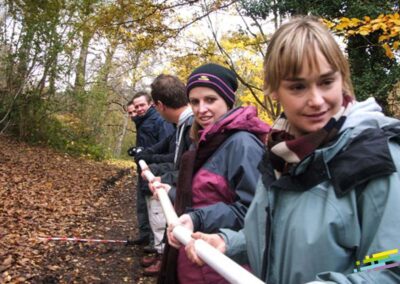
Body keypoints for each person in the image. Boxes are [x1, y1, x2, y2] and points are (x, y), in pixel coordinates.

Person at [186, 16, 400, 284]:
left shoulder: (377, 158)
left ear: (342, 79)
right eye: (298, 87)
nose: (316, 100)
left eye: (326, 82)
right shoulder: (280, 155)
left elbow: (390, 265)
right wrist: (229, 242)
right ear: (274, 91)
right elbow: (276, 234)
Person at [155, 63, 271, 283]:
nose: (201, 109)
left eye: (210, 100)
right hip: (194, 264)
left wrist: (196, 219)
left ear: (228, 100)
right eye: (195, 101)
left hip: (222, 269)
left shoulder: (243, 145)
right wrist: (170, 192)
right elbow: (202, 197)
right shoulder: (203, 141)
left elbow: (252, 212)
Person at [136, 74, 194, 276]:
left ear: (159, 105)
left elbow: (193, 167)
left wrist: (165, 177)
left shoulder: (192, 126)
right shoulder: (182, 125)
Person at [127, 91, 175, 246]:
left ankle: (158, 248)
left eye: (142, 105)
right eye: (136, 106)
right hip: (144, 170)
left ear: (150, 104)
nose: (139, 109)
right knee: (143, 206)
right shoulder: (141, 121)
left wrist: (149, 159)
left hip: (157, 172)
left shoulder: (160, 121)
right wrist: (139, 151)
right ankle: (147, 239)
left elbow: (166, 148)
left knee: (157, 211)